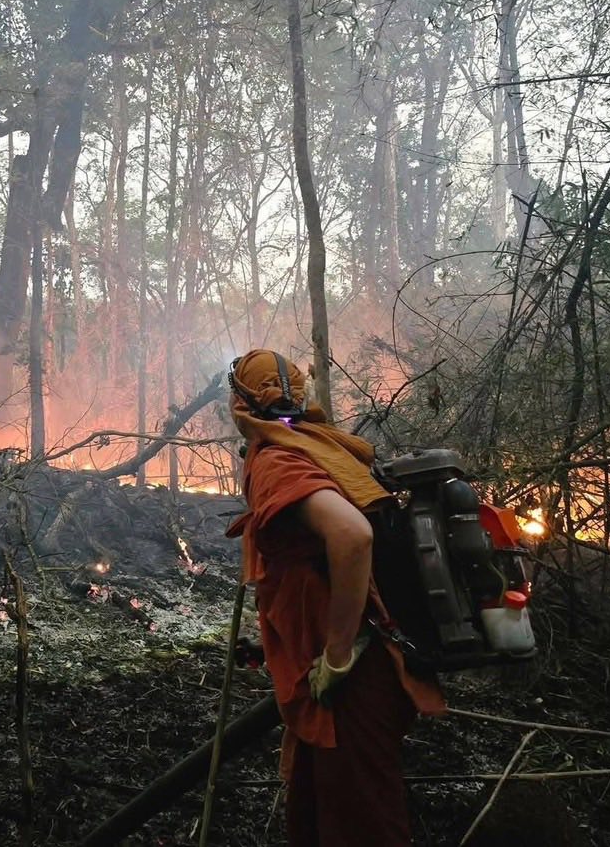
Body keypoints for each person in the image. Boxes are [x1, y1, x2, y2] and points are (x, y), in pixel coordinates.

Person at [226, 349, 444, 847]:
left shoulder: (279, 459)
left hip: (353, 680)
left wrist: (338, 654)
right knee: (314, 817)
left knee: (363, 828)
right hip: (339, 676)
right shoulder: (318, 445)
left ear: (239, 404)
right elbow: (313, 565)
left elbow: (352, 536)